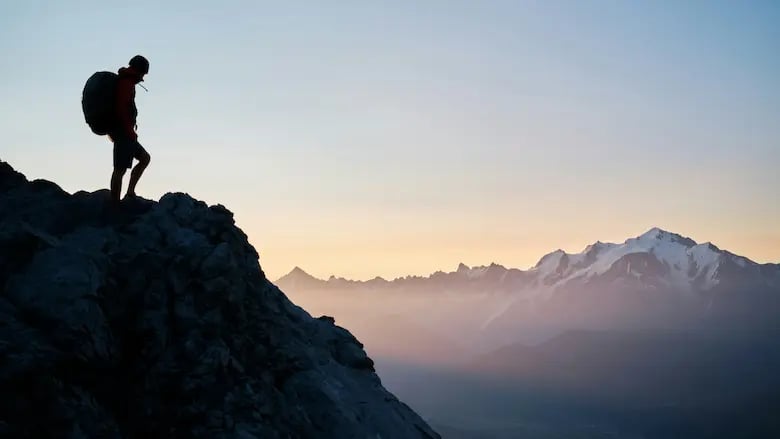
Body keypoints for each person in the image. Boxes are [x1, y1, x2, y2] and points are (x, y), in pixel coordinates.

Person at [110, 55, 151, 203]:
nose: (143, 77)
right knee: (119, 170)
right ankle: (114, 205)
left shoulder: (127, 81)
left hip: (126, 133)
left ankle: (130, 193)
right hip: (123, 133)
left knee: (145, 158)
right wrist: (129, 132)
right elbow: (121, 109)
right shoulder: (126, 83)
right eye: (143, 73)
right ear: (139, 70)